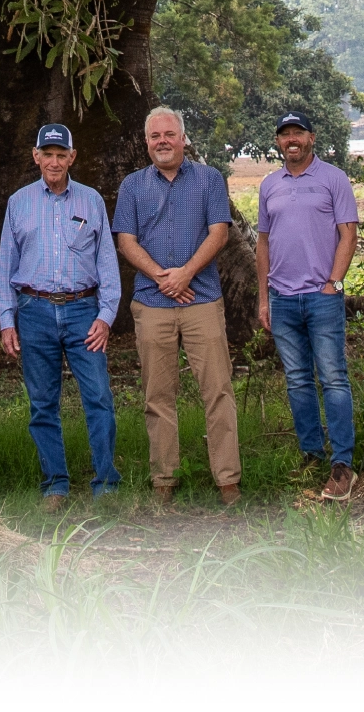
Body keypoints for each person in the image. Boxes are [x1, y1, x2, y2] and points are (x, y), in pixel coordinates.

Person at [112, 106, 240, 506]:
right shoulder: (132, 186)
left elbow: (219, 233)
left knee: (217, 390)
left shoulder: (209, 179)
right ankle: (164, 481)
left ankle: (228, 481)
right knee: (158, 395)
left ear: (183, 139)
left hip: (202, 300)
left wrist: (186, 273)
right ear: (146, 142)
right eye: (155, 136)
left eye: (169, 134)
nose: (163, 141)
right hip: (152, 303)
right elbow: (126, 241)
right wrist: (162, 277)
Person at [0, 124, 121, 510]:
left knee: (98, 396)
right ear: (36, 156)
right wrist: (6, 319)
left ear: (72, 157)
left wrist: (106, 314)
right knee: (42, 403)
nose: (54, 162)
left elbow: (107, 261)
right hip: (34, 312)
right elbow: (6, 265)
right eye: (47, 154)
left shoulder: (91, 200)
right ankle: (55, 485)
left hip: (84, 311)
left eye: (61, 155)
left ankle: (106, 484)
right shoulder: (18, 202)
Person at [254, 111, 359, 502]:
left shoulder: (333, 178)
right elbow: (263, 243)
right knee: (297, 379)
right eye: (285, 135)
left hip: (322, 296)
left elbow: (348, 235)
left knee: (332, 377)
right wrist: (263, 297)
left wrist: (334, 284)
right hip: (281, 298)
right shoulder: (270, 185)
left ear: (311, 137)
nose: (292, 140)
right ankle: (312, 454)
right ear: (278, 142)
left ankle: (342, 463)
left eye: (298, 132)